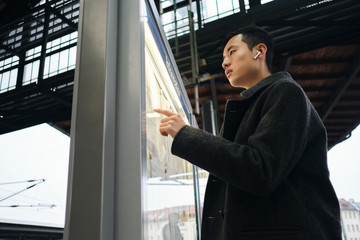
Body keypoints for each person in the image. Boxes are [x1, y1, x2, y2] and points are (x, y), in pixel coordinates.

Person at [154, 26, 341, 240]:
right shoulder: (259, 104)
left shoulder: (285, 92)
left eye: (232, 52)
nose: (224, 62)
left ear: (259, 51)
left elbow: (260, 169)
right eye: (224, 57)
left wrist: (185, 135)